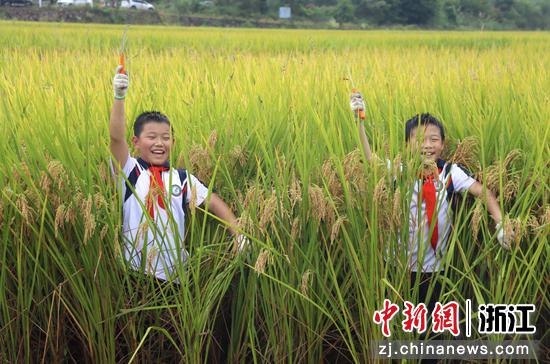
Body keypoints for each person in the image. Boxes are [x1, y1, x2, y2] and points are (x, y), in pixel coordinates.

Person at [109, 66, 247, 362]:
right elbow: (115, 138)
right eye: (151, 137)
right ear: (137, 142)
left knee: (172, 346)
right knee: (137, 345)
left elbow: (215, 204)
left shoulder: (182, 179)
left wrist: (238, 232)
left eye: (166, 137)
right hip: (133, 274)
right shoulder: (130, 172)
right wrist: (119, 96)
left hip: (175, 279)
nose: (159, 143)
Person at [349, 92, 511, 323]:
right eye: (420, 139)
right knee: (400, 324)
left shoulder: (450, 173)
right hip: (397, 266)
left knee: (431, 327)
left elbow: (484, 193)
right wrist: (359, 121)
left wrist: (500, 221)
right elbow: (371, 160)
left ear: (443, 144)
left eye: (434, 139)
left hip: (435, 270)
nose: (427, 145)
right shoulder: (401, 172)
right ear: (408, 145)